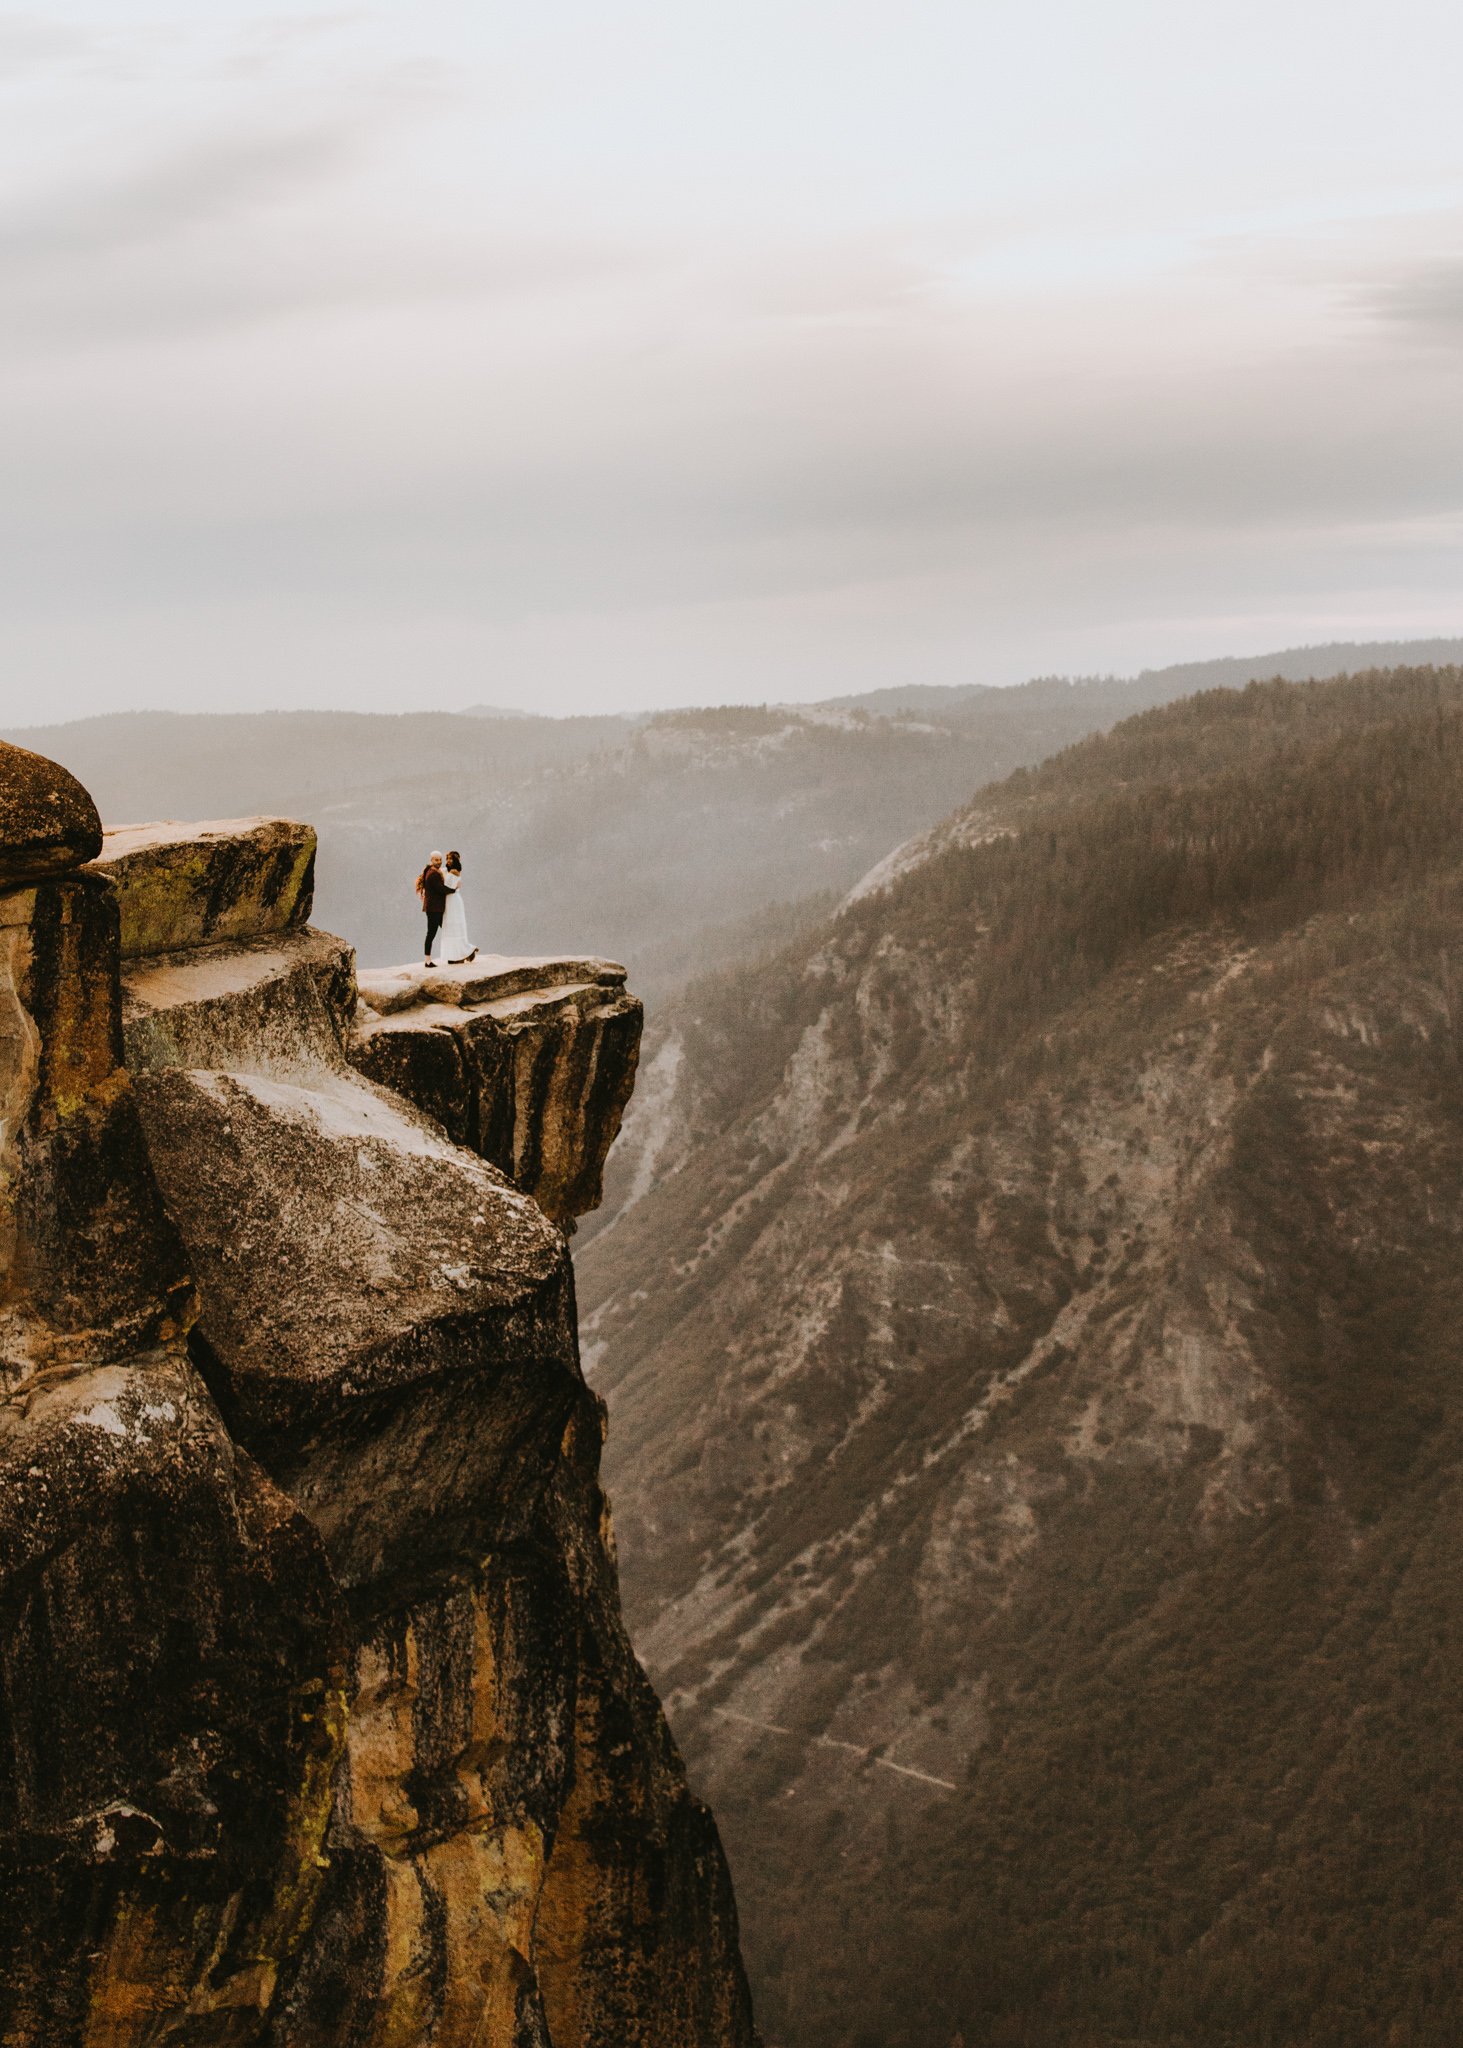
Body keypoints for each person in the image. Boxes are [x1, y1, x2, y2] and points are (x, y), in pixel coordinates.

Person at [431, 849, 478, 966]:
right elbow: (438, 872)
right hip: (448, 900)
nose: (448, 861)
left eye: (451, 858)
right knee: (449, 928)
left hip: (453, 900)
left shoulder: (454, 871)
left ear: (456, 860)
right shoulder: (447, 870)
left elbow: (447, 886)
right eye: (447, 858)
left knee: (455, 927)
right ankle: (457, 954)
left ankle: (461, 954)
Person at [416, 850, 447, 966]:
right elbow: (441, 889)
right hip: (434, 909)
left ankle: (453, 954)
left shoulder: (431, 871)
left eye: (440, 860)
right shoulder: (433, 874)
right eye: (436, 860)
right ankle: (427, 960)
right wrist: (454, 889)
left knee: (444, 929)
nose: (439, 862)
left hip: (434, 908)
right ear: (431, 860)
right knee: (431, 933)